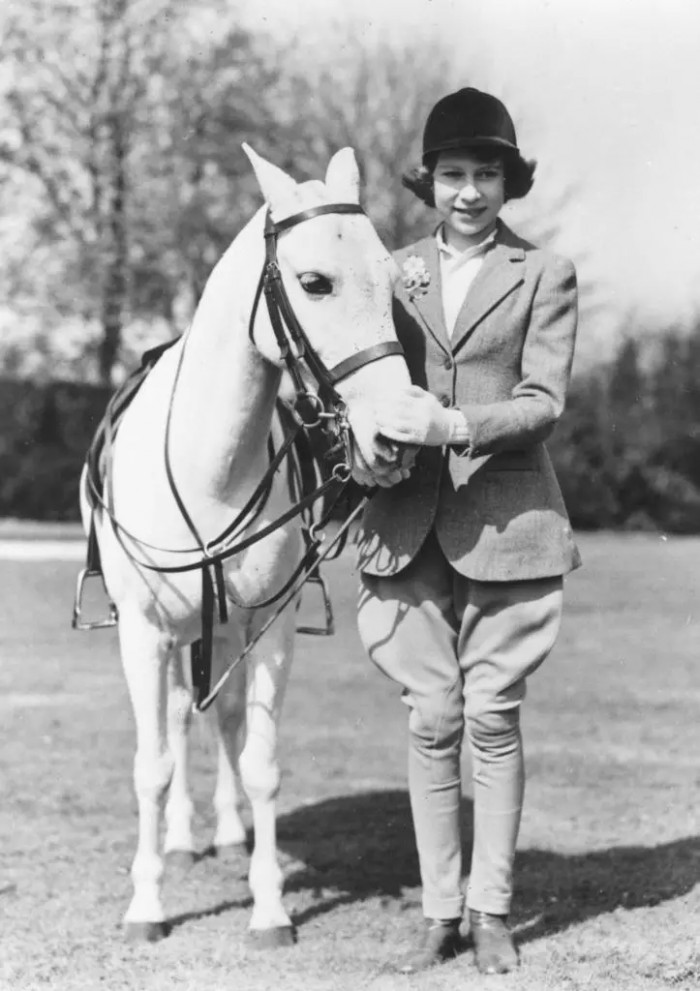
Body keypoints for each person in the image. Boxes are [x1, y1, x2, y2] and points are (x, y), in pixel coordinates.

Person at [353, 87, 580, 975]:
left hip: (507, 520)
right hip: (404, 519)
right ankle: (438, 910)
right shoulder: (389, 270)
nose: (470, 192)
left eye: (487, 173)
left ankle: (491, 911)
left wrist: (453, 425)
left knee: (491, 716)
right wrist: (366, 447)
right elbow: (355, 383)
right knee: (431, 717)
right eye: (453, 174)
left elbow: (543, 401)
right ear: (430, 181)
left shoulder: (544, 273)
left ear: (509, 182)